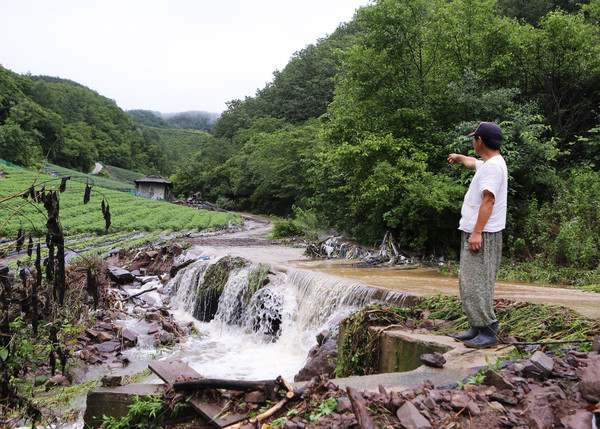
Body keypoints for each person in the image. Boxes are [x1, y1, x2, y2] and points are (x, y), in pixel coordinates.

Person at [447, 122, 508, 349]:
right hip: (478, 232)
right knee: (469, 282)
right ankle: (477, 327)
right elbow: (475, 163)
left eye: (474, 138)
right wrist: (460, 157)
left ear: (480, 141)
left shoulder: (493, 168)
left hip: (484, 234)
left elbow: (488, 200)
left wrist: (477, 233)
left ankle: (489, 331)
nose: (472, 142)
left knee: (478, 283)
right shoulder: (489, 163)